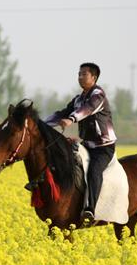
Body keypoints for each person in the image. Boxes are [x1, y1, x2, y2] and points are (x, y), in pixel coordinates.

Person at [44, 62, 117, 223]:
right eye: (79, 74)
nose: (80, 77)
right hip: (86, 145)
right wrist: (41, 124)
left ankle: (90, 209)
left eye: (84, 74)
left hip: (103, 147)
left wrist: (71, 119)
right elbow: (62, 113)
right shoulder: (78, 99)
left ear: (94, 77)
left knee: (94, 171)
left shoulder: (98, 95)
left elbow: (87, 110)